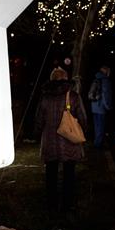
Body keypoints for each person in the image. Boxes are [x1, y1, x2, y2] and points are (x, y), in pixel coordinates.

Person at [35, 67, 87, 215]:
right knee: (69, 174)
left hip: (50, 141)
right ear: (65, 78)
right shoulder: (73, 96)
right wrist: (83, 130)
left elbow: (39, 119)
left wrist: (37, 133)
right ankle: (67, 206)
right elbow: (82, 118)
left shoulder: (45, 97)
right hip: (69, 141)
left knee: (50, 174)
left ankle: (51, 206)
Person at [90, 65, 112, 148]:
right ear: (106, 72)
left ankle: (96, 143)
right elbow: (105, 95)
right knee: (101, 127)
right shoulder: (105, 81)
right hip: (101, 107)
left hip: (94, 106)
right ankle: (98, 145)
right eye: (109, 71)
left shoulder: (96, 79)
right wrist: (108, 106)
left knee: (96, 126)